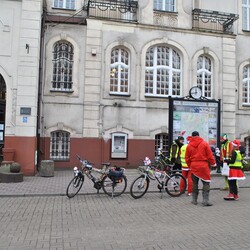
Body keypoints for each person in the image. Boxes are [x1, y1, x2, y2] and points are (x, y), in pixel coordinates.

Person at [185, 131, 216, 206]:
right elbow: (209, 156)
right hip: (203, 166)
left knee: (194, 183)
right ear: (199, 135)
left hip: (194, 166)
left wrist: (190, 166)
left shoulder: (189, 145)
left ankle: (194, 200)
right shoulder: (205, 143)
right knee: (206, 183)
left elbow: (187, 158)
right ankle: (205, 201)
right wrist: (213, 164)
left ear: (192, 136)